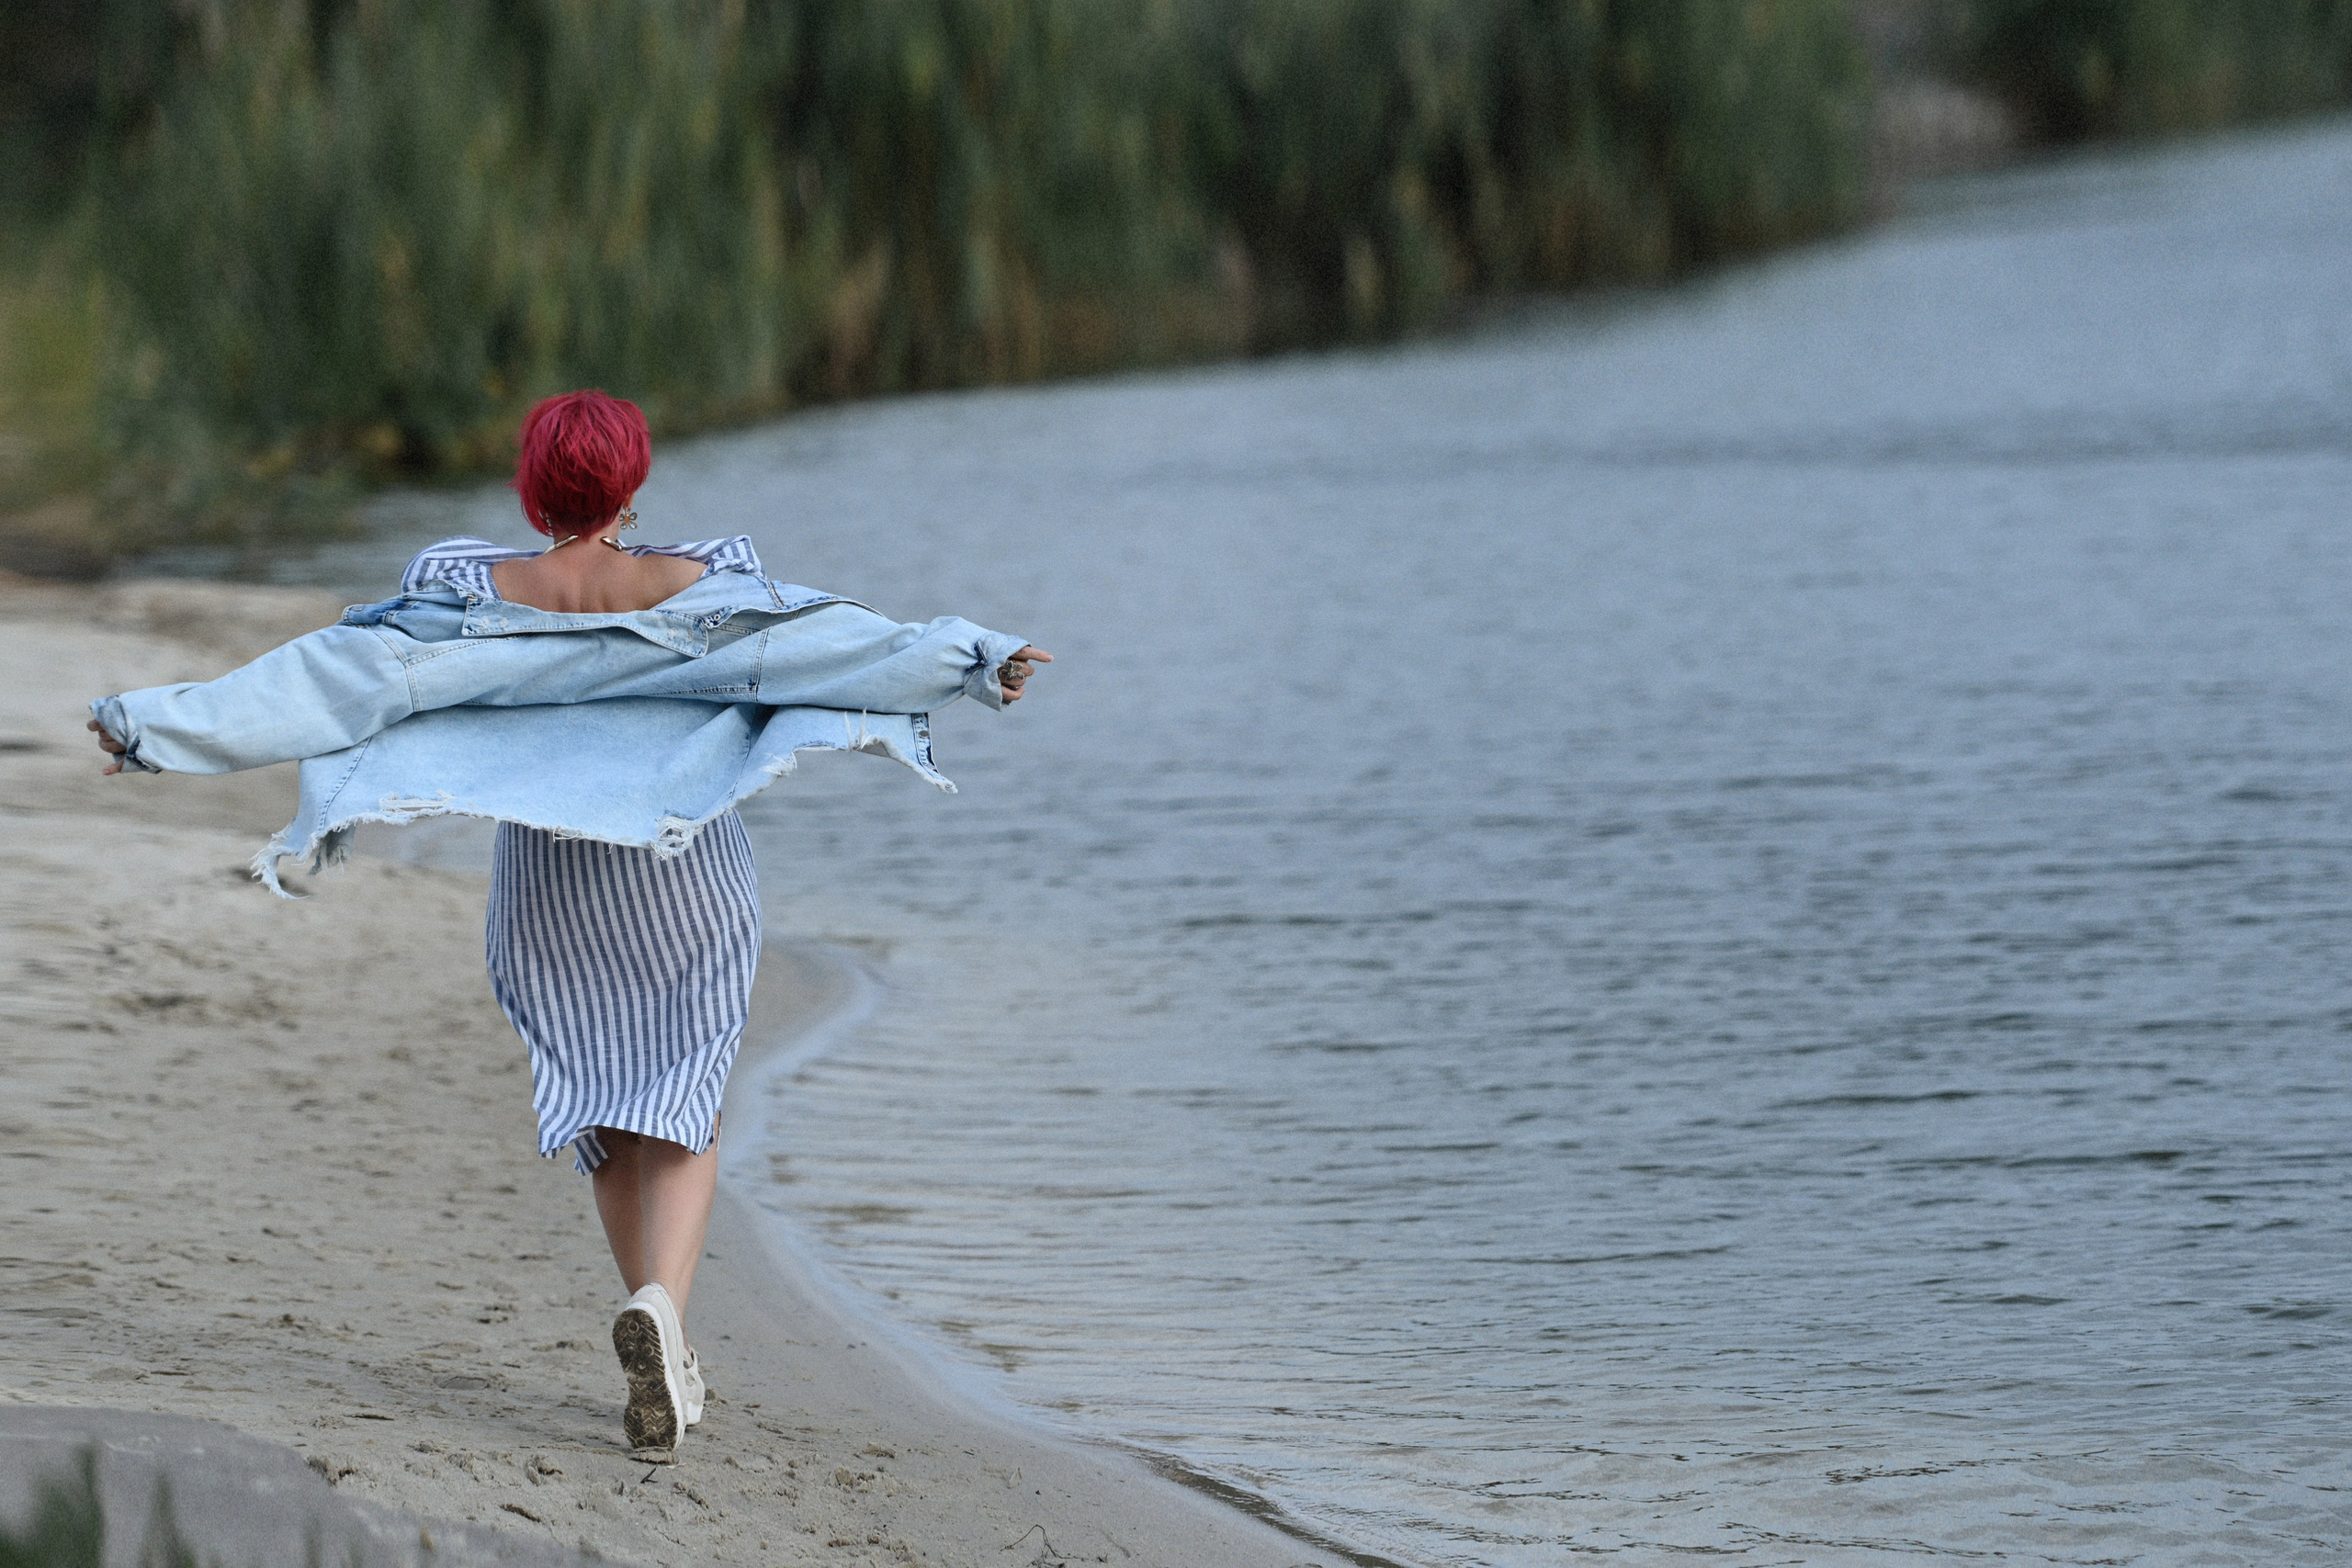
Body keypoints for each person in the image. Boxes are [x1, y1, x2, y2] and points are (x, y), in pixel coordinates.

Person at [85, 389, 1050, 1457]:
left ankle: (655, 1320)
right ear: (631, 485)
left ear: (530, 487)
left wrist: (149, 728)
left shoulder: (464, 603)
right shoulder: (708, 594)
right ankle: (665, 1319)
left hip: (549, 877)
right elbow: (846, 646)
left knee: (602, 1094)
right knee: (684, 1091)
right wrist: (980, 659)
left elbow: (321, 681)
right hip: (683, 865)